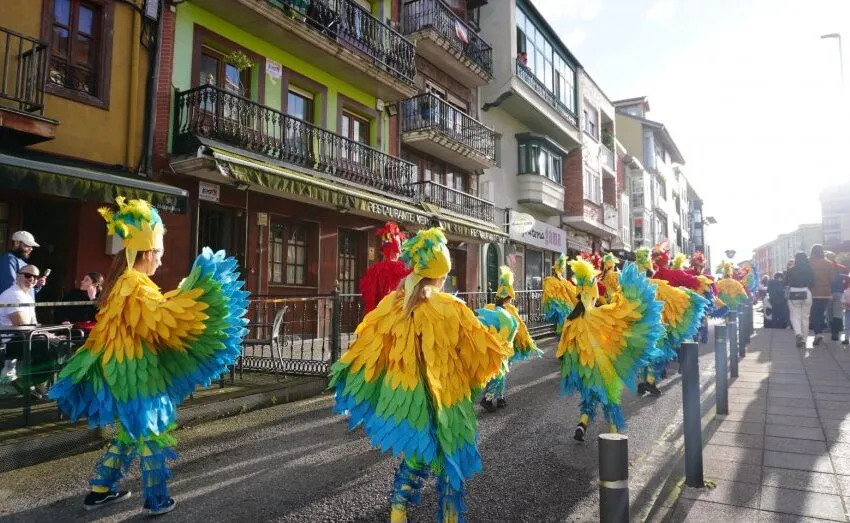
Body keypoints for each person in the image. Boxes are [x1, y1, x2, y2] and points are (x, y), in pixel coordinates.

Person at [48, 197, 249, 515]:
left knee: (133, 429)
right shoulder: (135, 285)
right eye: (160, 254)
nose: (160, 261)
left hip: (127, 369)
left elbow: (149, 323)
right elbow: (164, 323)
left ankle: (101, 488)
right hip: (135, 370)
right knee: (152, 429)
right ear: (148, 252)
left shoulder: (123, 284)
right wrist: (197, 294)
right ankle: (156, 499)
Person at [329, 228, 511, 523]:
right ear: (442, 275)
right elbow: (480, 356)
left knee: (414, 461)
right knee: (451, 466)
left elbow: (369, 351)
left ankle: (397, 515)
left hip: (407, 401)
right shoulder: (453, 308)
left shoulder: (392, 305)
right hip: (449, 403)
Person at [558, 257, 664, 442]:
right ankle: (613, 433)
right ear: (593, 293)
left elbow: (564, 352)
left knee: (589, 398)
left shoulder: (570, 321)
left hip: (583, 372)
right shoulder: (601, 314)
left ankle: (582, 424)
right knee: (610, 399)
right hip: (605, 367)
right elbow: (623, 319)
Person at [478, 266, 542, 412]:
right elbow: (518, 328)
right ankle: (487, 399)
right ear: (507, 298)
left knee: (502, 373)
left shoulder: (492, 307)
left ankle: (500, 398)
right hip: (501, 349)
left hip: (501, 348)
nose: (511, 300)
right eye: (510, 298)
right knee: (498, 374)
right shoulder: (507, 311)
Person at [359, 222, 410, 315]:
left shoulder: (374, 270)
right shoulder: (400, 267)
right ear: (397, 251)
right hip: (394, 312)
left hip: (378, 313)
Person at [0, 231, 47, 296]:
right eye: (27, 245)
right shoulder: (8, 260)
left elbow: (27, 292)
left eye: (32, 246)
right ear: (16, 243)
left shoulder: (21, 262)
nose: (31, 249)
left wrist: (36, 285)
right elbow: (9, 288)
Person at [785, 252, 815, 349]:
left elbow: (786, 282)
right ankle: (804, 340)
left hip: (793, 292)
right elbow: (813, 282)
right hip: (806, 292)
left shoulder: (791, 270)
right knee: (805, 317)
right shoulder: (810, 269)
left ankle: (798, 333)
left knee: (794, 315)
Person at [542, 254, 577, 333]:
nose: (563, 269)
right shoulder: (550, 280)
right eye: (562, 267)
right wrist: (557, 304)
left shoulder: (563, 280)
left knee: (569, 321)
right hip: (559, 306)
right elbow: (549, 295)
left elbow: (572, 291)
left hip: (566, 305)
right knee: (563, 322)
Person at [808, 245, 835, 346]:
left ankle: (817, 333)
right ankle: (819, 331)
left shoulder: (809, 262)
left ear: (812, 252)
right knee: (820, 313)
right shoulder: (828, 263)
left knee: (814, 314)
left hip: (813, 292)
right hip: (825, 293)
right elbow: (832, 279)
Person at [825, 251, 848, 341]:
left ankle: (832, 330)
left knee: (829, 312)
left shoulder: (825, 268)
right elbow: (847, 281)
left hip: (827, 293)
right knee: (838, 313)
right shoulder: (843, 268)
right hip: (839, 293)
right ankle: (836, 332)